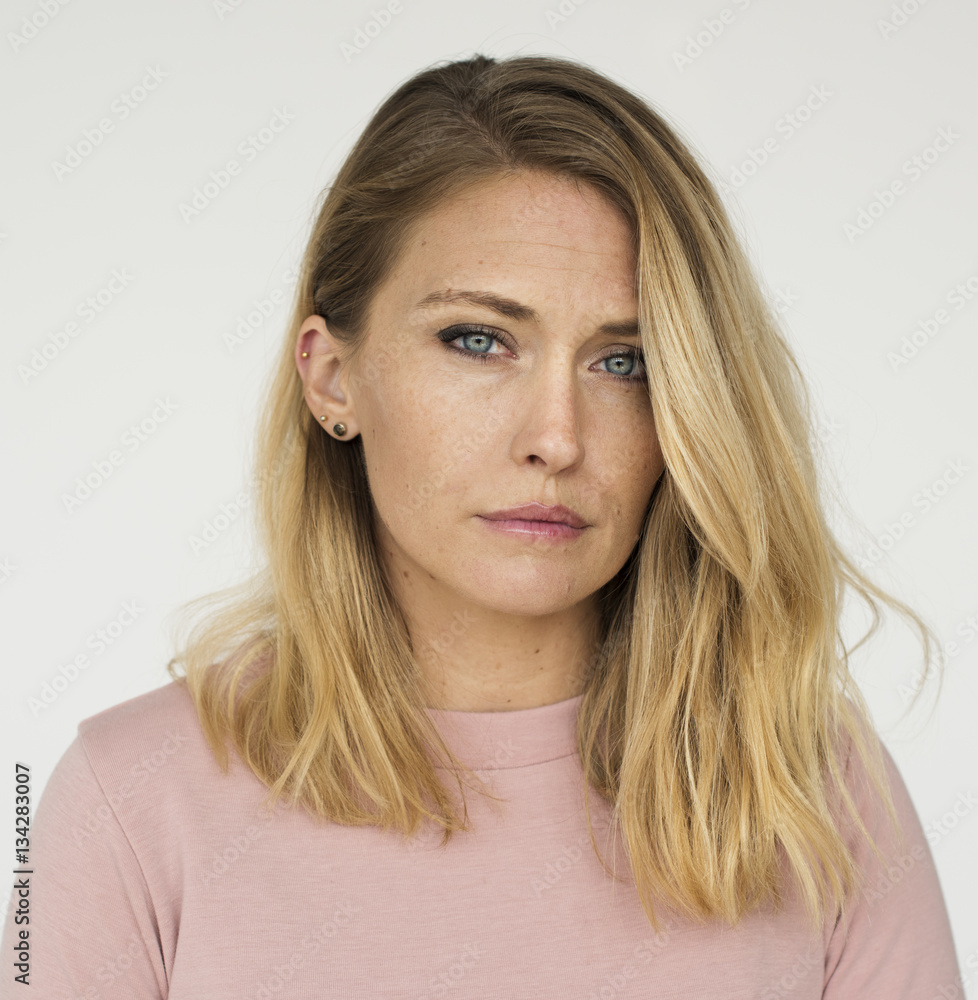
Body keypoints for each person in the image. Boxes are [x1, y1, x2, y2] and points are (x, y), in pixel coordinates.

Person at [3, 53, 963, 998]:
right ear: (332, 377)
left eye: (623, 362)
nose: (556, 438)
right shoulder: (132, 802)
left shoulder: (811, 792)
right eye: (478, 340)